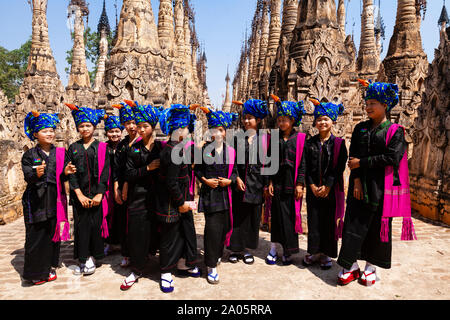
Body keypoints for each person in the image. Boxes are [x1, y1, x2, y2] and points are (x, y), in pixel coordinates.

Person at [336, 80, 416, 286]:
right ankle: (351, 265)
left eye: (373, 102)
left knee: (377, 228)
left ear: (385, 105)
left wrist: (362, 162)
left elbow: (392, 158)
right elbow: (352, 158)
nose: (368, 107)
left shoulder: (396, 131)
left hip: (382, 188)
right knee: (353, 225)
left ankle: (371, 267)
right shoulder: (360, 129)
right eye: (367, 102)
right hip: (359, 185)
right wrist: (355, 183)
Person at [21, 111, 75, 285]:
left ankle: (50, 265)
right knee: (36, 237)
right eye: (44, 131)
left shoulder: (60, 152)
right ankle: (35, 273)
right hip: (35, 201)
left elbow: (64, 175)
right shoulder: (29, 155)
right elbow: (27, 174)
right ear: (35, 134)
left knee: (52, 235)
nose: (50, 133)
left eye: (51, 130)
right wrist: (35, 173)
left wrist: (66, 173)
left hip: (54, 199)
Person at [154, 104, 201, 293]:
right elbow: (171, 182)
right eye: (181, 129)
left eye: (186, 128)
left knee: (184, 232)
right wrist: (181, 203)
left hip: (181, 195)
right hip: (171, 201)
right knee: (169, 236)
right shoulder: (173, 150)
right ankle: (165, 271)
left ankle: (183, 263)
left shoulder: (179, 148)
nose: (185, 132)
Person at [119, 101, 163, 291]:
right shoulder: (133, 148)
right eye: (139, 126)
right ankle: (136, 269)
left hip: (158, 198)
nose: (141, 129)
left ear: (152, 127)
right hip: (138, 198)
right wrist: (147, 168)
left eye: (145, 126)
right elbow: (127, 174)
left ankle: (163, 267)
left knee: (159, 232)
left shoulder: (161, 148)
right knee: (137, 234)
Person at [64, 104, 110, 276]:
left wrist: (99, 193)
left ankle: (94, 256)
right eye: (81, 126)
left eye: (88, 125)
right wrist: (79, 194)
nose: (84, 128)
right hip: (79, 196)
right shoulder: (73, 148)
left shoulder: (101, 147)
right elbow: (71, 173)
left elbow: (105, 172)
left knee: (95, 226)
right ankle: (84, 257)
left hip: (97, 195)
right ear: (78, 128)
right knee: (81, 227)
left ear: (94, 126)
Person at [302, 98, 348, 270]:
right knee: (314, 221)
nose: (322, 122)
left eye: (325, 119)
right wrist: (312, 185)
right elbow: (305, 166)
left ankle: (326, 253)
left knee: (328, 222)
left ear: (332, 121)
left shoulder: (339, 144)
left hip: (331, 190)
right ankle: (314, 252)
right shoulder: (310, 143)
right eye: (319, 119)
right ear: (315, 122)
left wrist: (328, 186)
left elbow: (339, 167)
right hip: (314, 190)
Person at [195, 107, 239, 284]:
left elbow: (235, 172)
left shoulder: (231, 151)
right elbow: (197, 170)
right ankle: (210, 265)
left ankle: (218, 253)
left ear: (225, 132)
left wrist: (231, 181)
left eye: (221, 130)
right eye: (214, 130)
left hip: (226, 195)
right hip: (210, 196)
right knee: (212, 230)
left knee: (223, 228)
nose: (218, 133)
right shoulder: (205, 150)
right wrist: (205, 180)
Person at [227, 99, 270, 264]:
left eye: (250, 118)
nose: (246, 121)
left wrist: (267, 184)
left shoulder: (266, 138)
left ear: (258, 120)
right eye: (244, 117)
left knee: (251, 218)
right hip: (239, 183)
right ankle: (234, 248)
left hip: (256, 184)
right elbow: (231, 161)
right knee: (237, 216)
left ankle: (246, 250)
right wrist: (235, 177)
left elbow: (269, 164)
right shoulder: (236, 138)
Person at [265, 94, 306, 266]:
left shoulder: (301, 139)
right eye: (279, 120)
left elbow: (303, 163)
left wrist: (300, 183)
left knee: (290, 218)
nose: (281, 123)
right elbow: (268, 161)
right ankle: (273, 248)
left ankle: (288, 251)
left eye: (285, 119)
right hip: (277, 182)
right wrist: (269, 183)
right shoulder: (273, 138)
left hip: (292, 183)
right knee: (276, 217)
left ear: (293, 120)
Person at [111, 101, 138, 268]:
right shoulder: (121, 145)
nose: (132, 126)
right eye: (128, 123)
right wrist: (116, 188)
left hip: (140, 188)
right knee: (124, 222)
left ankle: (143, 252)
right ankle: (126, 253)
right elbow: (116, 168)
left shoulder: (145, 143)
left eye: (134, 122)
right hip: (122, 189)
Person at [103, 115, 125, 256]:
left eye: (117, 131)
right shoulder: (103, 148)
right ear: (106, 133)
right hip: (107, 185)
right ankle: (109, 243)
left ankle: (123, 243)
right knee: (109, 214)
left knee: (123, 213)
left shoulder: (126, 146)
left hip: (123, 183)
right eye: (111, 131)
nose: (114, 134)